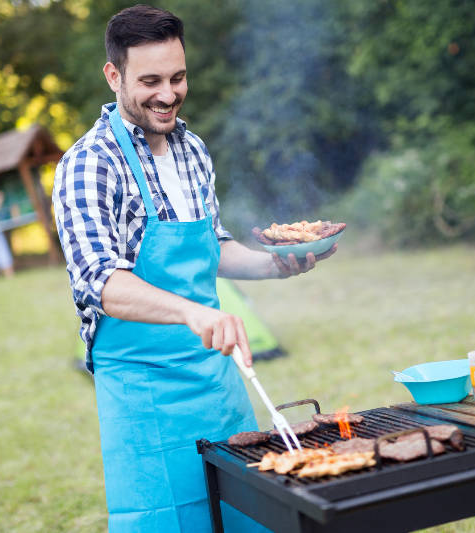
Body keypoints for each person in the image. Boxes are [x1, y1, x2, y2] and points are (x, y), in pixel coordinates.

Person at [52, 6, 337, 532]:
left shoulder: (193, 150)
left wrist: (280, 266)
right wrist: (193, 313)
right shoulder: (89, 163)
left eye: (178, 77)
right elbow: (99, 281)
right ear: (114, 76)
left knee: (247, 518)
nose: (168, 94)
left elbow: (214, 247)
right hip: (144, 395)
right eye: (151, 81)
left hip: (217, 382)